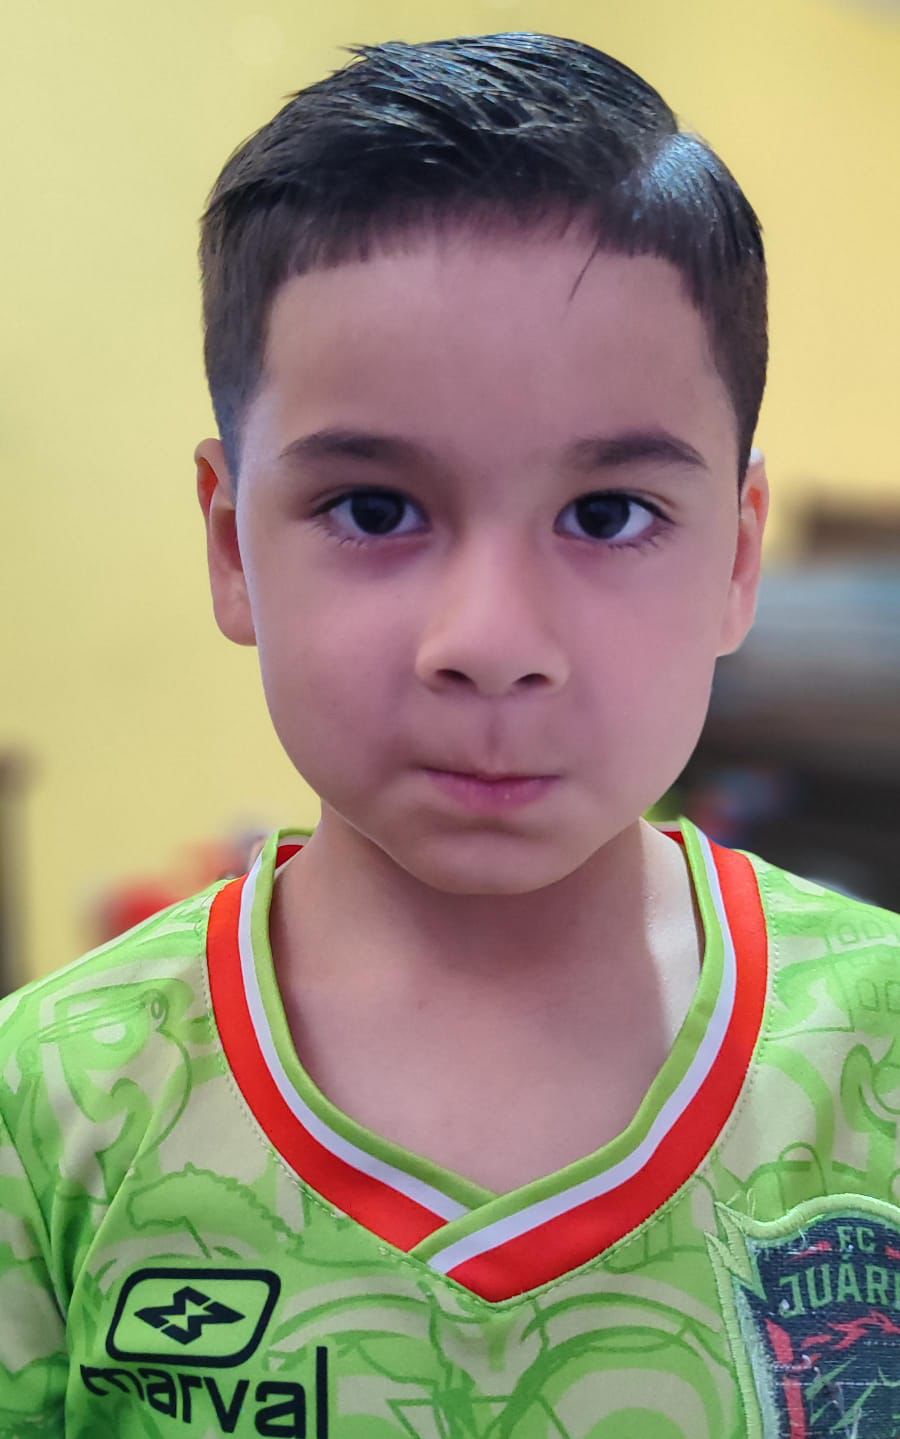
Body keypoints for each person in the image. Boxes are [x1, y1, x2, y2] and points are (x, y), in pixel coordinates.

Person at [1, 32, 898, 1438]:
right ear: (232, 546)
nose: (489, 639)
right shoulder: (48, 1102)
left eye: (608, 514)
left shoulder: (878, 1053)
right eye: (374, 509)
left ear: (736, 556)